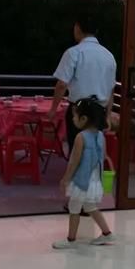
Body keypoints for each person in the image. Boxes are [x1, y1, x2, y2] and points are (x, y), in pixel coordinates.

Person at [48, 13, 117, 155]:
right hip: (99, 111)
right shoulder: (109, 56)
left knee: (77, 153)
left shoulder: (74, 53)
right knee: (94, 152)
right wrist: (108, 116)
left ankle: (75, 170)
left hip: (79, 111)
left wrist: (53, 109)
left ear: (78, 28)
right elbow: (111, 90)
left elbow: (62, 84)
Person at [52, 97, 115, 249]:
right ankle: (106, 233)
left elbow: (74, 162)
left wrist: (65, 179)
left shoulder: (81, 137)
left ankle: (71, 240)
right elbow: (103, 157)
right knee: (90, 207)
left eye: (75, 116)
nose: (73, 119)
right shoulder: (101, 136)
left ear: (84, 119)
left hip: (82, 180)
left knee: (74, 208)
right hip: (94, 180)